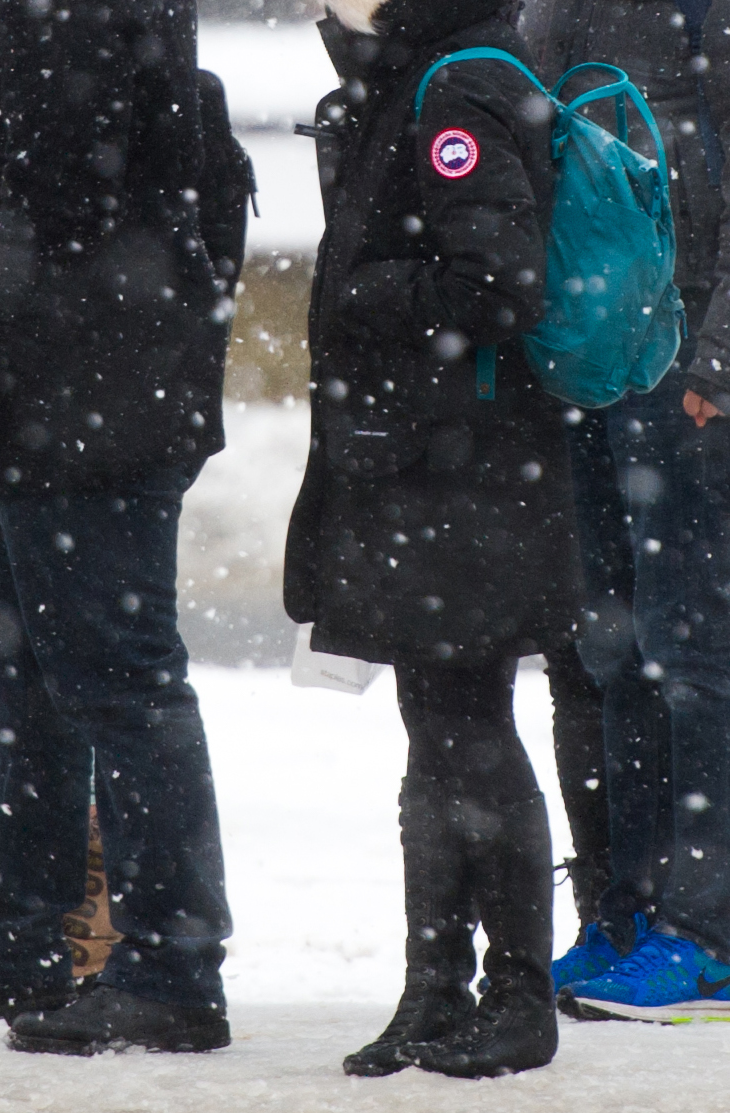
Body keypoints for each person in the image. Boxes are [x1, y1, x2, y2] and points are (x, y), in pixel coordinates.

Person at [0, 0, 238, 1056]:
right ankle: (14, 937)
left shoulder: (54, 20)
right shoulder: (29, 20)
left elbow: (51, 190)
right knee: (18, 672)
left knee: (114, 679)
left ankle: (167, 964)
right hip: (49, 391)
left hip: (82, 392)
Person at [288, 0, 577, 1078]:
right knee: (436, 730)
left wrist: (365, 293)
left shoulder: (457, 84)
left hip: (468, 466)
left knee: (468, 732)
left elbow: (498, 281)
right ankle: (434, 987)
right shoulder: (419, 75)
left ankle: (516, 997)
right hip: (427, 461)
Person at [524, 0, 730, 1023]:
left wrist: (719, 359)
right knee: (610, 655)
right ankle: (630, 912)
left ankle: (708, 936)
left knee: (694, 657)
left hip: (682, 375)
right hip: (588, 366)